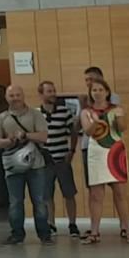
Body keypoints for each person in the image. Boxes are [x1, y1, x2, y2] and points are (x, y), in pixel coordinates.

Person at [0, 85, 53, 245]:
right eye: (11, 95)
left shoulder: (36, 114)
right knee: (15, 202)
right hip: (12, 167)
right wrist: (10, 140)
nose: (15, 98)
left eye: (18, 94)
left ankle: (44, 233)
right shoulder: (2, 118)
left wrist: (26, 135)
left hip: (36, 166)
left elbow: (44, 136)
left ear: (23, 95)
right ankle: (17, 234)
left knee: (39, 200)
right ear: (6, 97)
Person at [79, 78, 129, 245]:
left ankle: (128, 229)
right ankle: (94, 231)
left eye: (100, 90)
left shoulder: (117, 109)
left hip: (115, 151)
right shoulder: (86, 112)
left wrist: (120, 117)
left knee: (120, 193)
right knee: (96, 195)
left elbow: (123, 128)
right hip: (96, 152)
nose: (97, 93)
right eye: (94, 90)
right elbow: (88, 132)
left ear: (107, 92)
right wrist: (95, 122)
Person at [38, 81, 80, 238]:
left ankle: (72, 223)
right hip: (45, 160)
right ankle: (51, 223)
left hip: (62, 158)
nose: (53, 93)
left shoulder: (64, 111)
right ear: (41, 94)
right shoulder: (36, 113)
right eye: (49, 91)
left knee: (69, 193)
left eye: (53, 90)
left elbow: (73, 131)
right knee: (47, 194)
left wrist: (72, 150)